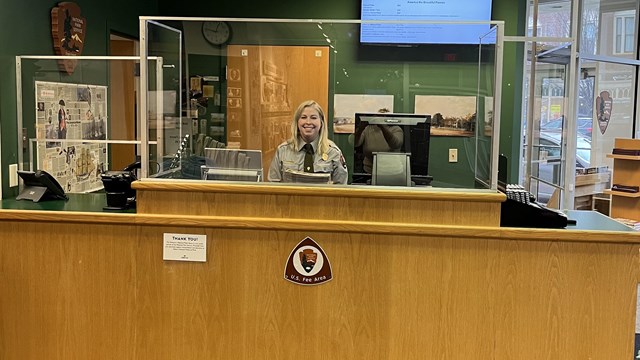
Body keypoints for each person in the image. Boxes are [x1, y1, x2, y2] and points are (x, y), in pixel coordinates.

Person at [268, 100, 348, 184]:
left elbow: (341, 189)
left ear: (321, 122)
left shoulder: (333, 153)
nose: (308, 122)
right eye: (303, 117)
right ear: (297, 122)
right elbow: (273, 186)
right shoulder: (282, 151)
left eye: (313, 118)